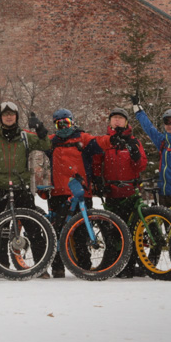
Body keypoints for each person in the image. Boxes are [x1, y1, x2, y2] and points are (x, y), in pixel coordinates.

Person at [0, 101, 53, 274]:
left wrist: (41, 130)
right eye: (5, 115)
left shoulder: (25, 137)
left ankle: (40, 267)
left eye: (11, 115)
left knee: (33, 228)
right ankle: (2, 266)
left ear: (16, 117)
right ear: (0, 118)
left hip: (21, 187)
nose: (8, 117)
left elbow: (46, 146)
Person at [89, 107, 147, 276]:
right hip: (111, 193)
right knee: (112, 233)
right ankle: (113, 264)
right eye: (114, 118)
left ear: (126, 122)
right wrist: (98, 181)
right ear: (109, 122)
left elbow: (141, 165)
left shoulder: (134, 141)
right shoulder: (105, 141)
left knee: (132, 231)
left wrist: (135, 154)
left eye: (120, 118)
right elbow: (96, 163)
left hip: (130, 192)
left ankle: (131, 265)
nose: (117, 121)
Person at [43, 108, 101, 276]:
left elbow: (99, 145)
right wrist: (38, 129)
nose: (63, 127)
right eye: (59, 124)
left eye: (66, 123)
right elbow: (35, 141)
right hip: (58, 192)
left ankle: (84, 266)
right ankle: (58, 267)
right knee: (58, 232)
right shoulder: (51, 141)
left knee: (82, 232)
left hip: (81, 193)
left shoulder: (83, 138)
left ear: (72, 122)